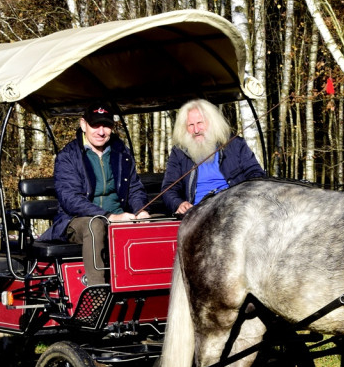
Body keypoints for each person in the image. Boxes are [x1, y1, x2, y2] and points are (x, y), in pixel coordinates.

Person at [40, 104, 150, 287]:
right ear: (83, 125)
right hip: (76, 220)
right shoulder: (69, 156)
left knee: (159, 223)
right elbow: (71, 200)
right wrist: (110, 217)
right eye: (95, 125)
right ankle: (97, 292)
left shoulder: (122, 153)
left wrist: (141, 211)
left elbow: (135, 189)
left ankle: (152, 289)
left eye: (106, 126)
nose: (101, 131)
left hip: (119, 217)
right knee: (96, 225)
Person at [161, 99, 264, 216]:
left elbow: (256, 175)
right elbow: (168, 189)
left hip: (235, 209)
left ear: (212, 122)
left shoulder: (235, 144)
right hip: (197, 215)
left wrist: (243, 198)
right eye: (191, 125)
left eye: (200, 123)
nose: (196, 130)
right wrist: (178, 204)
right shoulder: (179, 152)